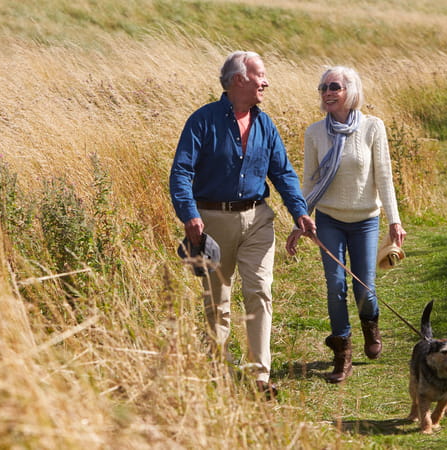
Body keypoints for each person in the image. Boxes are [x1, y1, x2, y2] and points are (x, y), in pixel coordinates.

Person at [169, 51, 316, 398]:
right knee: (217, 301)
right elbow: (181, 172)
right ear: (239, 80)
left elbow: (282, 173)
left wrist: (300, 211)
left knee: (260, 293)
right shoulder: (202, 121)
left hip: (258, 219)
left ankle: (259, 378)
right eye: (260, 75)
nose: (266, 81)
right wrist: (189, 213)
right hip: (210, 223)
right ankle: (215, 374)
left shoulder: (265, 124)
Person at [285, 66, 406, 384]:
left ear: (350, 90)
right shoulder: (314, 133)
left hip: (365, 220)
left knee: (364, 287)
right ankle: (343, 353)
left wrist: (394, 220)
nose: (326, 92)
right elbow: (310, 181)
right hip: (329, 219)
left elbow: (384, 177)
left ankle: (371, 325)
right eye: (322, 87)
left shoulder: (372, 127)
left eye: (333, 86)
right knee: (335, 286)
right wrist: (301, 218)